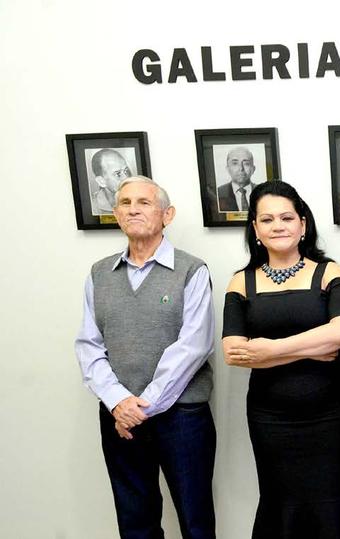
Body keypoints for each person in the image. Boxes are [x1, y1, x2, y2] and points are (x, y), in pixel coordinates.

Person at [222, 180, 340, 538]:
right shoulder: (240, 282)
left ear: (303, 225)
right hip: (270, 417)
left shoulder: (330, 272)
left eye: (287, 218)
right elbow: (234, 351)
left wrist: (269, 350)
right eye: (267, 219)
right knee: (281, 502)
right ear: (255, 229)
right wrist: (310, 347)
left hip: (332, 414)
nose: (278, 226)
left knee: (334, 502)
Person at [75, 176, 216, 538]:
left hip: (182, 417)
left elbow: (194, 345)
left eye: (143, 202)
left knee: (195, 520)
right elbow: (89, 345)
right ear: (116, 214)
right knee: (135, 522)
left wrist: (143, 406)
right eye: (124, 203)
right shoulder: (98, 274)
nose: (133, 209)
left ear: (167, 215)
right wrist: (119, 402)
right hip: (118, 416)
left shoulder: (192, 270)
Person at [90, 148, 133, 214]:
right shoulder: (92, 208)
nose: (126, 178)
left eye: (126, 171)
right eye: (118, 174)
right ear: (101, 181)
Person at [217, 147, 259, 212]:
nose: (241, 168)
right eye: (235, 163)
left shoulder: (263, 192)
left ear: (253, 169)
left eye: (246, 164)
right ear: (228, 168)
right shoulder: (218, 193)